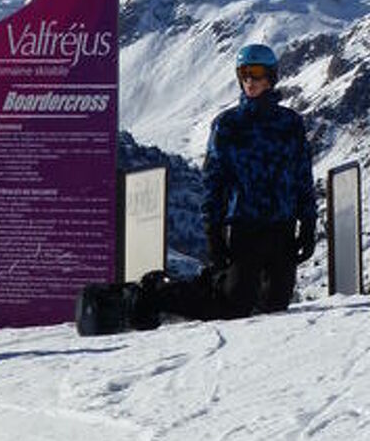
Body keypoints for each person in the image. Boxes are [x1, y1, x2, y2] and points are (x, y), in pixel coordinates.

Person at [125, 43, 317, 329]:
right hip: (245, 225)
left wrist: (309, 223)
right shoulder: (228, 125)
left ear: (272, 77)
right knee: (233, 306)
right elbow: (215, 181)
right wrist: (213, 231)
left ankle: (219, 284)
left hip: (282, 225)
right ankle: (159, 293)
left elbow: (302, 174)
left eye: (257, 73)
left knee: (275, 305)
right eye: (244, 74)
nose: (250, 81)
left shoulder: (290, 123)